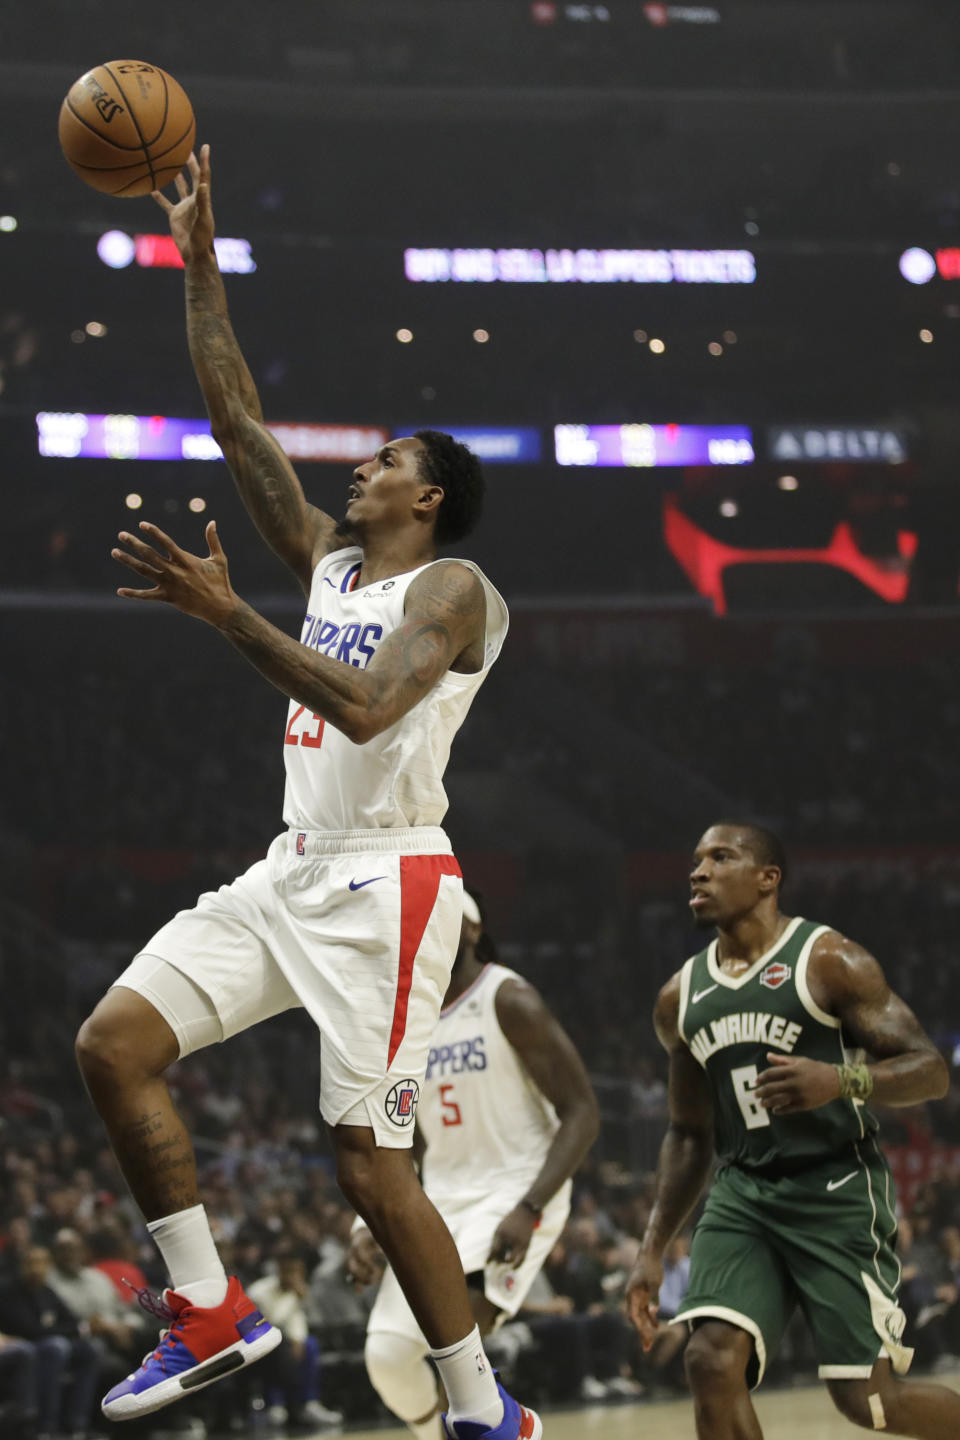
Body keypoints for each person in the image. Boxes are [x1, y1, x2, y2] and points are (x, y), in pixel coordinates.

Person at [74, 143, 538, 1440]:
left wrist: (227, 615)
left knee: (369, 1168)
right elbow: (237, 420)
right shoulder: (334, 565)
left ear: (428, 495)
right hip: (292, 864)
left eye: (384, 460)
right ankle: (213, 1311)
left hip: (390, 883)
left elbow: (373, 706)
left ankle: (477, 1411)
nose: (360, 471)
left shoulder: (450, 590)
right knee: (113, 1047)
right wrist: (199, 250)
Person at [626, 820, 960, 1439]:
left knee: (869, 1402)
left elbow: (932, 1071)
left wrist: (843, 1082)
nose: (698, 872)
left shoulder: (829, 961)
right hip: (743, 1192)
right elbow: (689, 1134)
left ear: (767, 879)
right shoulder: (680, 997)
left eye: (720, 858)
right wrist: (652, 1248)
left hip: (835, 1186)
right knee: (709, 1359)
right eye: (696, 860)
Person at [348, 890, 599, 1439]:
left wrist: (529, 1207)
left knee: (455, 1361)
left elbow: (583, 1112)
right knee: (387, 1358)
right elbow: (400, 1140)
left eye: (444, 918)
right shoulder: (409, 1021)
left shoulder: (508, 998)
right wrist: (368, 1222)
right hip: (441, 1200)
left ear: (474, 932)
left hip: (513, 1195)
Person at [0, 1244, 102, 1438]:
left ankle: (77, 1425)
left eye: (41, 1263)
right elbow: (29, 1330)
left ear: (48, 1266)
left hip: (43, 1344)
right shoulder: (10, 1291)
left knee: (90, 1349)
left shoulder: (46, 1291)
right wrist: (79, 1329)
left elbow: (71, 1321)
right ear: (22, 1266)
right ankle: (47, 1426)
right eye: (31, 1263)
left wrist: (83, 1329)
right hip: (22, 1344)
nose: (36, 1268)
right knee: (56, 1347)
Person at [246, 1244, 343, 1429]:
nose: (293, 1275)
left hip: (296, 1346)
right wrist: (293, 1297)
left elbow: (316, 1322)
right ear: (279, 1268)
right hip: (264, 1348)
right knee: (280, 1347)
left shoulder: (302, 1292)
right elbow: (273, 1320)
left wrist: (303, 1299)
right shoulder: (259, 1291)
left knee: (311, 1344)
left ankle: (309, 1404)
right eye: (288, 1270)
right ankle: (276, 1405)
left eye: (297, 1271)